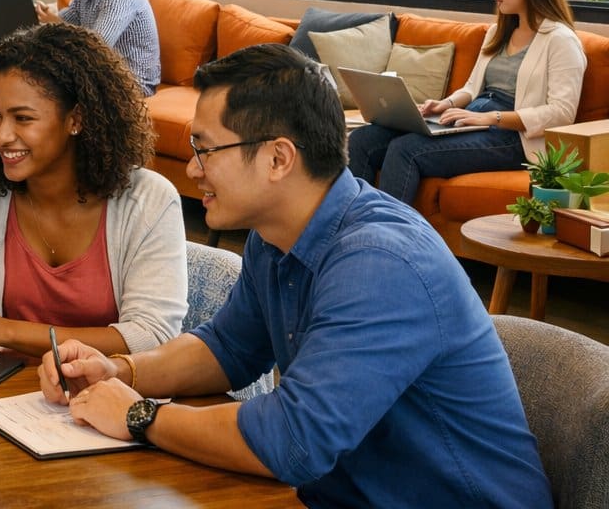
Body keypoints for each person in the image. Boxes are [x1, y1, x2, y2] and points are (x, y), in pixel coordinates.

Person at [38, 44, 550, 508]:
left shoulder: (380, 262)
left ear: (278, 158)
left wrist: (139, 417)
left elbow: (294, 441)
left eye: (205, 149)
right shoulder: (275, 235)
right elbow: (229, 349)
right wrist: (121, 372)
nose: (194, 169)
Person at [0, 22, 185, 360]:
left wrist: (3, 330)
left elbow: (152, 336)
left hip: (110, 397)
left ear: (76, 119)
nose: (1, 134)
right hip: (2, 395)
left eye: (23, 119)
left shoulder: (149, 199)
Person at [347, 0, 586, 205]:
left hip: (514, 137)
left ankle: (388, 240)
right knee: (362, 140)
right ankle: (348, 232)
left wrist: (491, 118)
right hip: (474, 116)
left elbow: (562, 112)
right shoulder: (498, 33)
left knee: (406, 151)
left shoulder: (561, 40)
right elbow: (472, 88)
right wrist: (445, 104)